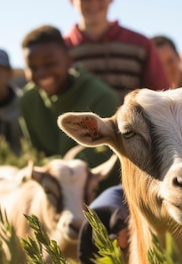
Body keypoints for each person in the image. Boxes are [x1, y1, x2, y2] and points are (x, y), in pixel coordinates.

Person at [19, 24, 121, 191]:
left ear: (68, 60)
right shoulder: (28, 100)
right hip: (51, 191)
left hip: (98, 190)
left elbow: (107, 158)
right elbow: (35, 153)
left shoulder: (101, 98)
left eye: (49, 63)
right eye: (33, 67)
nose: (42, 72)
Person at [63, 0, 170, 99]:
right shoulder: (63, 50)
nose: (93, 3)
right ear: (72, 1)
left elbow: (161, 96)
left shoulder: (140, 44)